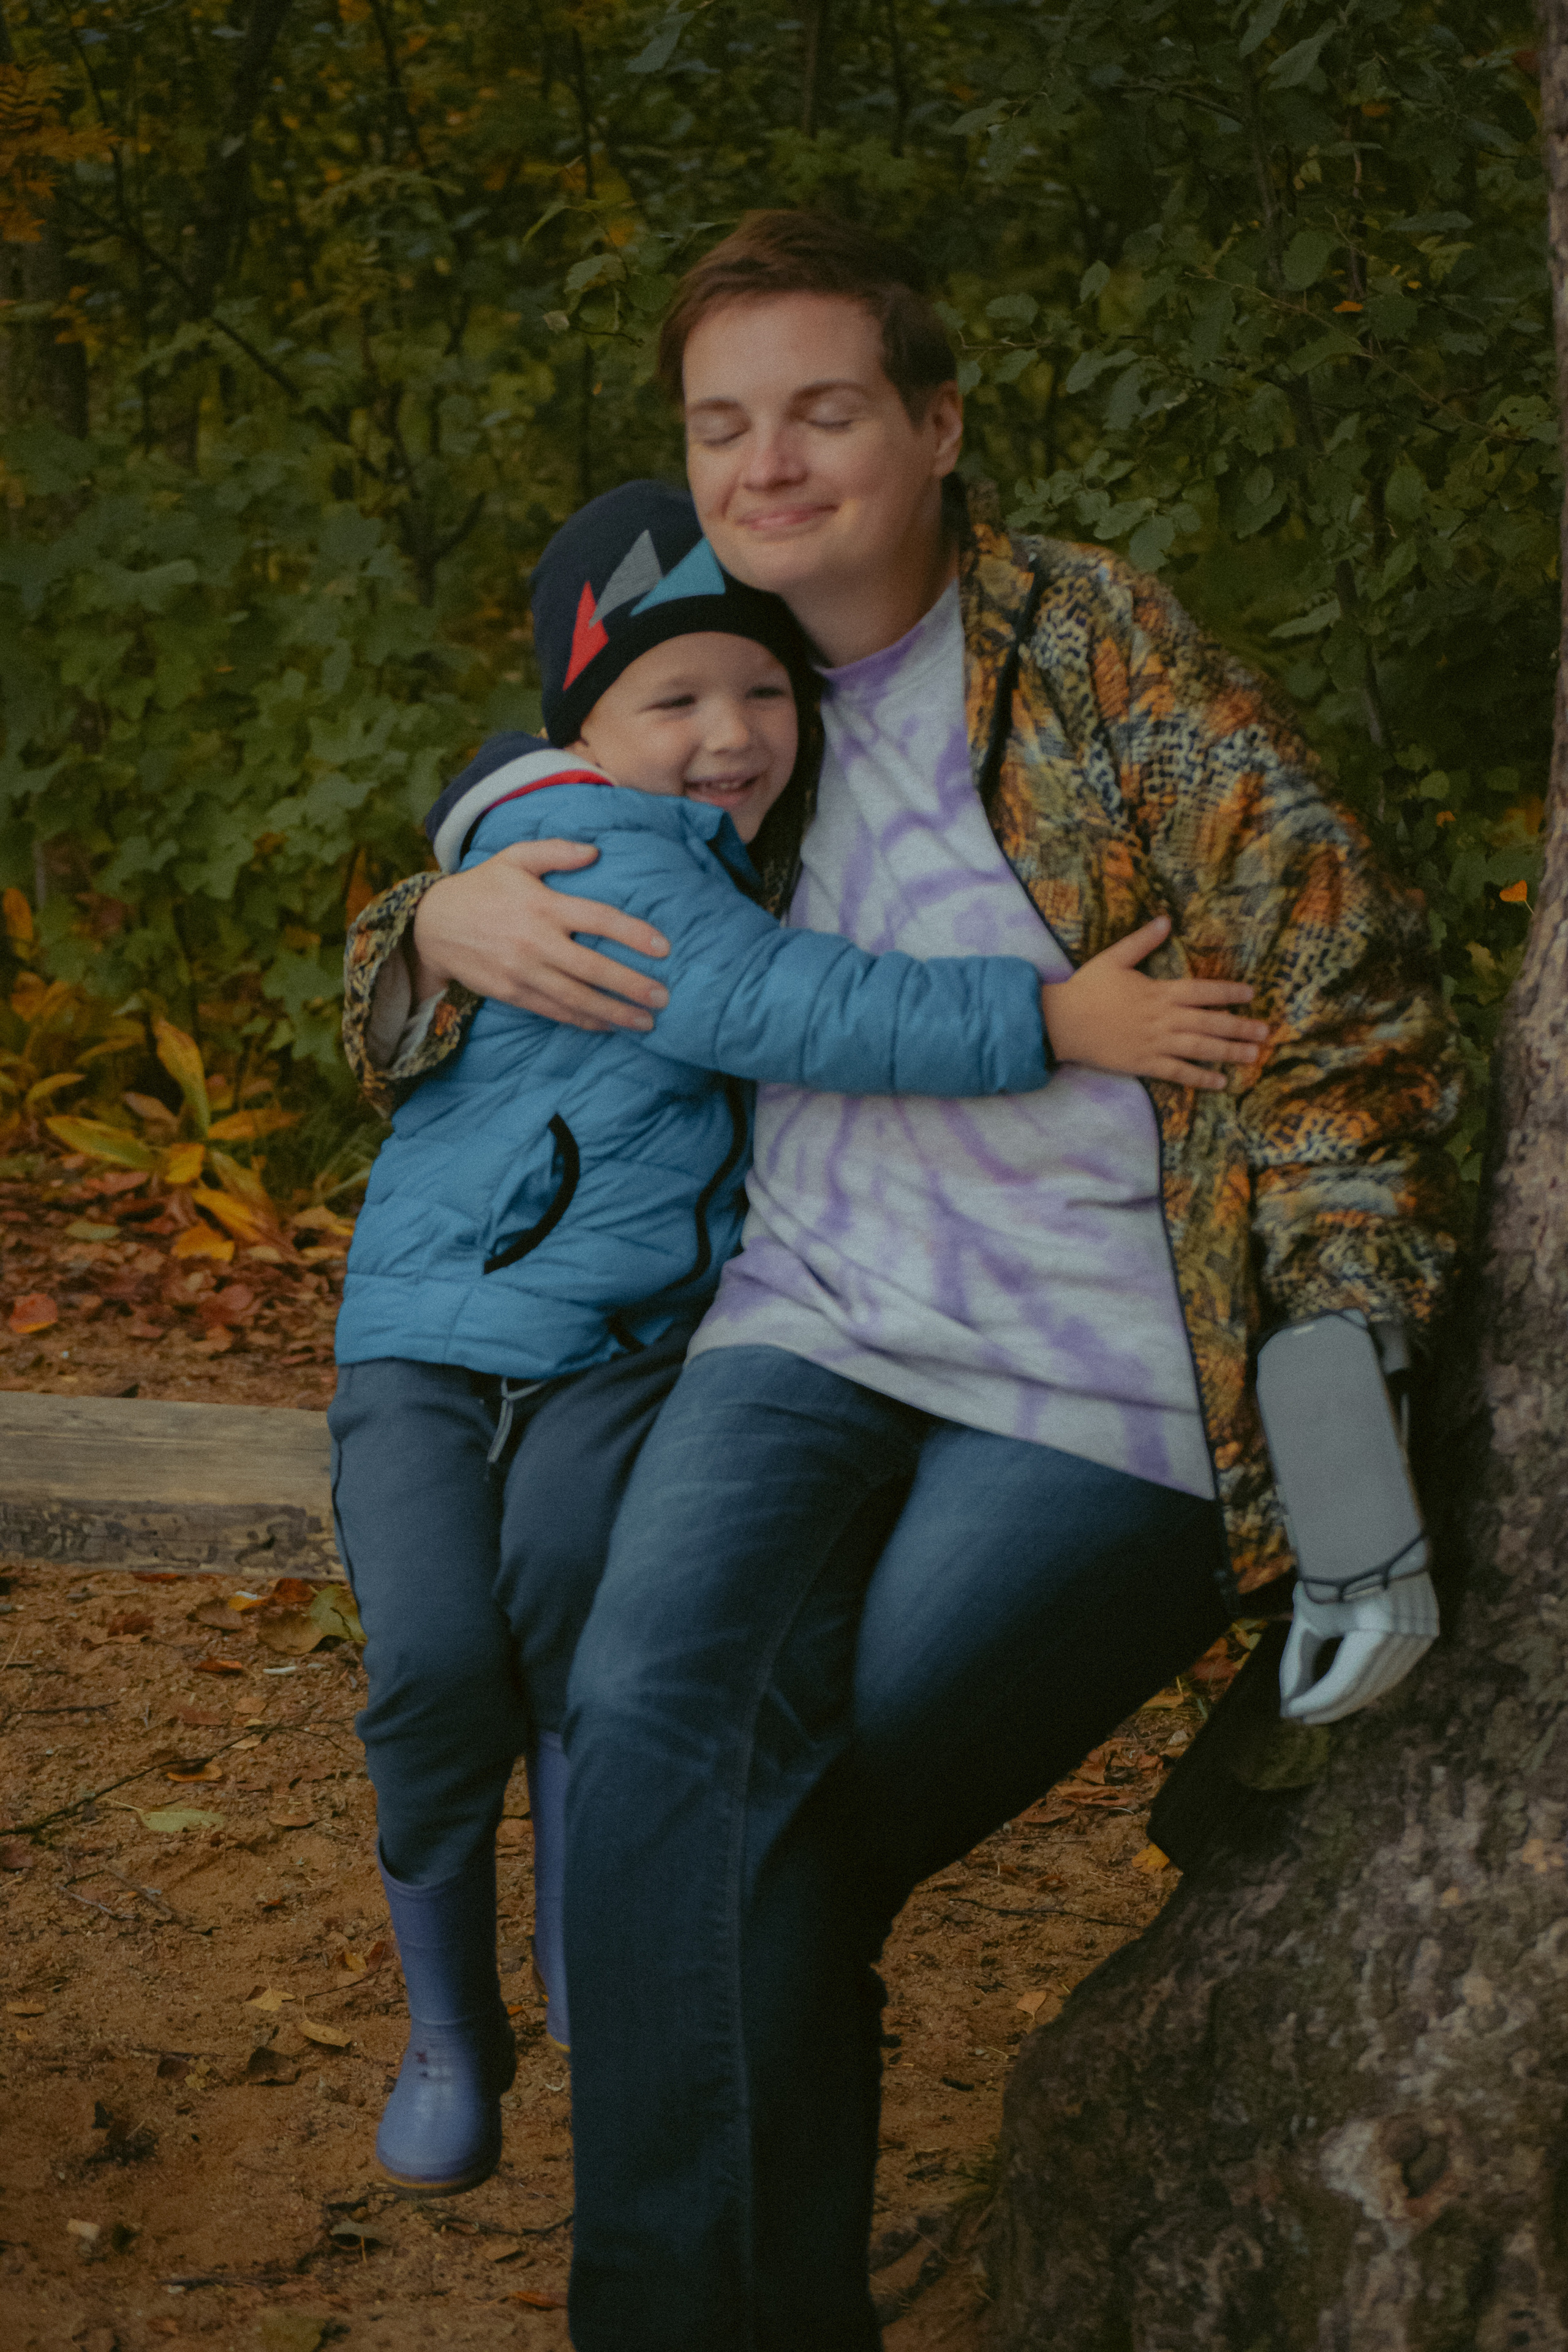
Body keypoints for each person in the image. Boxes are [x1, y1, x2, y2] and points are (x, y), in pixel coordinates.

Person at [342, 216, 1463, 2346]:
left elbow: (1351, 1003)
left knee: (784, 1836)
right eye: (721, 423)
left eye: (825, 408)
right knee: (661, 1726)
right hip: (799, 1327)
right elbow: (498, 902)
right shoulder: (711, 702)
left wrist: (1338, 1422)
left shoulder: (1099, 654)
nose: (768, 463)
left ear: (938, 428)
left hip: (1112, 1366)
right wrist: (423, 928)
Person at [331, 475, 1265, 2203]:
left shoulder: (789, 814)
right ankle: (466, 2019)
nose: (732, 732)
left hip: (640, 1352)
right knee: (453, 1663)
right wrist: (1059, 1017)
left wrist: (430, 898)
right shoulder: (600, 840)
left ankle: (599, 1978)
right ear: (588, 720)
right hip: (452, 1342)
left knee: (573, 1628)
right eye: (675, 701)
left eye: (762, 691)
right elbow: (777, 1005)